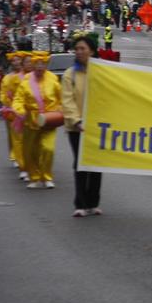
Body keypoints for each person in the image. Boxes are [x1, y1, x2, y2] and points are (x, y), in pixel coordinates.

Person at [62, 34, 103, 217]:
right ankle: (80, 204)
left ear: (91, 51)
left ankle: (93, 203)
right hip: (76, 128)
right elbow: (67, 101)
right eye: (76, 49)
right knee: (80, 163)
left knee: (96, 165)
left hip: (97, 127)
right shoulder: (69, 75)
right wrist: (76, 121)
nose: (79, 52)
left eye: (82, 49)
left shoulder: (101, 73)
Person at [12, 51, 63, 189]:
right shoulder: (26, 80)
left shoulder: (53, 79)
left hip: (49, 120)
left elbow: (61, 98)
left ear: (46, 65)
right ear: (33, 65)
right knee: (29, 151)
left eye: (43, 64)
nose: (40, 67)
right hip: (31, 121)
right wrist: (19, 110)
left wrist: (60, 110)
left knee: (48, 148)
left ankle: (46, 176)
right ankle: (34, 177)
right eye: (37, 64)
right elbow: (18, 98)